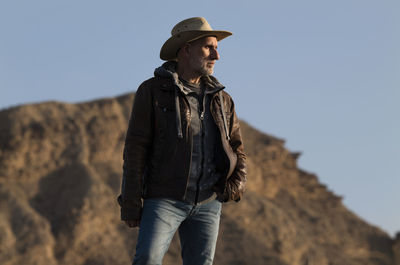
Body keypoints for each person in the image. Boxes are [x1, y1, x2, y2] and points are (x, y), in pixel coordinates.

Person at [117, 17, 247, 265]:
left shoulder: (222, 100)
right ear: (186, 49)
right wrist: (131, 202)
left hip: (209, 202)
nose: (216, 56)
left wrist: (235, 186)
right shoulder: (152, 91)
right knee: (147, 259)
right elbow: (135, 149)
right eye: (209, 47)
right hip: (164, 199)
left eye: (217, 48)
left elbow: (237, 148)